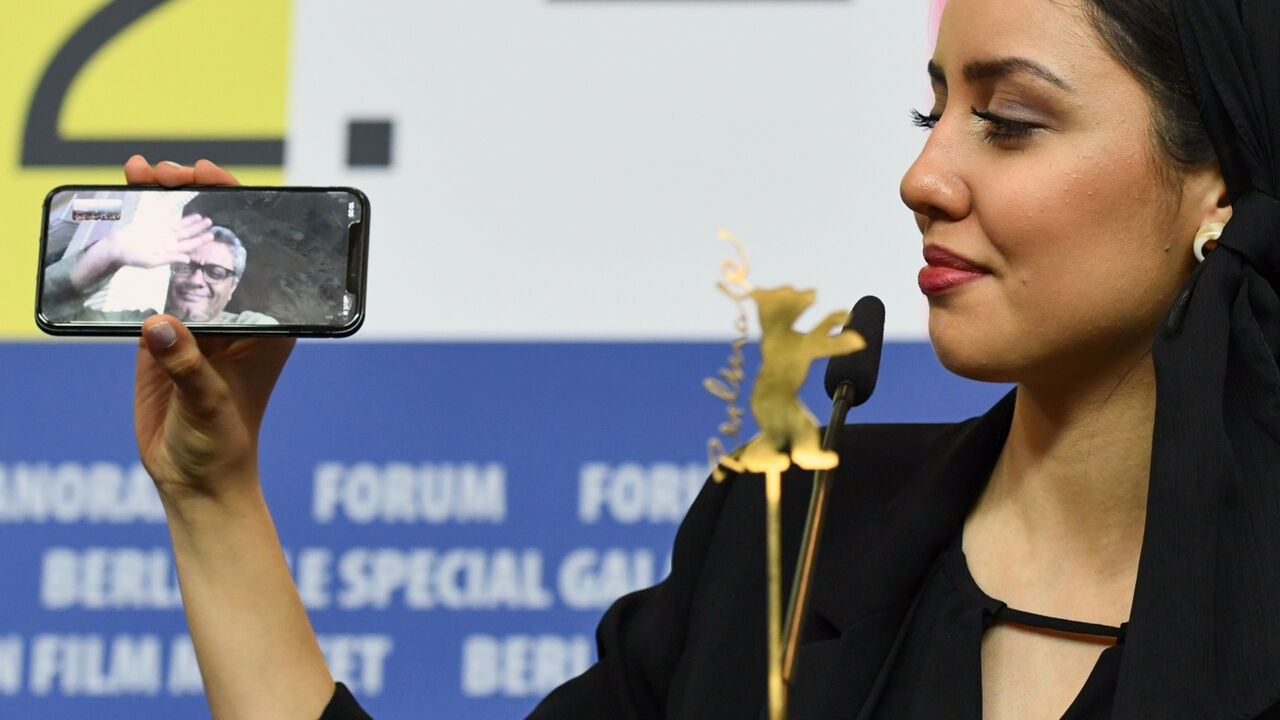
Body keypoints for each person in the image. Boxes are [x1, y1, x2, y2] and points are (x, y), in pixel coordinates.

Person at [126, 0, 1280, 717]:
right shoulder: (777, 541)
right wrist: (211, 491)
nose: (922, 177)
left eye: (1009, 121)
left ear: (1215, 183)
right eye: (926, 114)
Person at [43, 199, 277, 325]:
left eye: (214, 272)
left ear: (232, 287)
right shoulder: (138, 324)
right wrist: (108, 253)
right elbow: (52, 316)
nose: (196, 280)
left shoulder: (251, 325)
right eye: (186, 265)